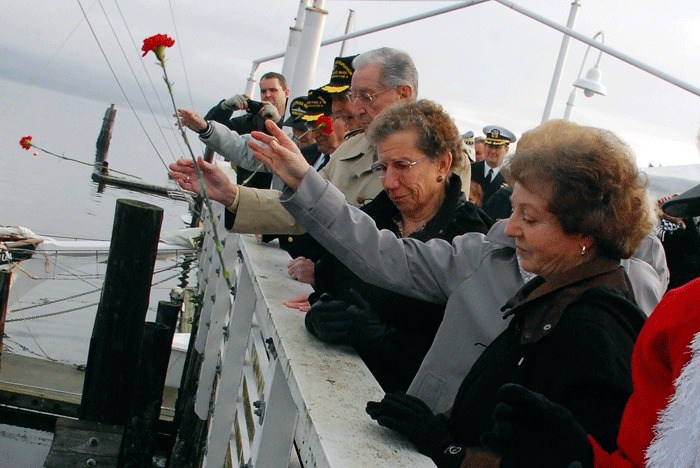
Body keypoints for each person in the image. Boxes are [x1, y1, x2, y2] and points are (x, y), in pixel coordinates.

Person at [244, 117, 661, 467]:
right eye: (513, 209)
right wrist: (304, 182)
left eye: (529, 217)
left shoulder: (605, 319)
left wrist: (450, 447)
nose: (509, 226)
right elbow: (383, 255)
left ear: (583, 229)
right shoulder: (502, 262)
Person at [302, 100, 492, 392]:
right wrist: (322, 313)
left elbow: (465, 355)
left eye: (402, 165)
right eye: (382, 167)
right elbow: (328, 282)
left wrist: (381, 338)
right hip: (330, 388)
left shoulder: (470, 239)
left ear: (442, 163)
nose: (389, 182)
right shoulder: (374, 217)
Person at [203, 71, 289, 189]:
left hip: (281, 196)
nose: (267, 95)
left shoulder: (297, 125)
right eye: (263, 91)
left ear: (286, 93)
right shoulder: (247, 123)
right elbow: (209, 129)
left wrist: (278, 122)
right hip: (247, 194)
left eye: (273, 90)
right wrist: (224, 108)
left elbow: (299, 145)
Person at [471, 125, 516, 210]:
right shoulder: (470, 169)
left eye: (497, 147)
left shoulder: (510, 179)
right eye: (490, 146)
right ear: (485, 146)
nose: (492, 151)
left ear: (506, 149)